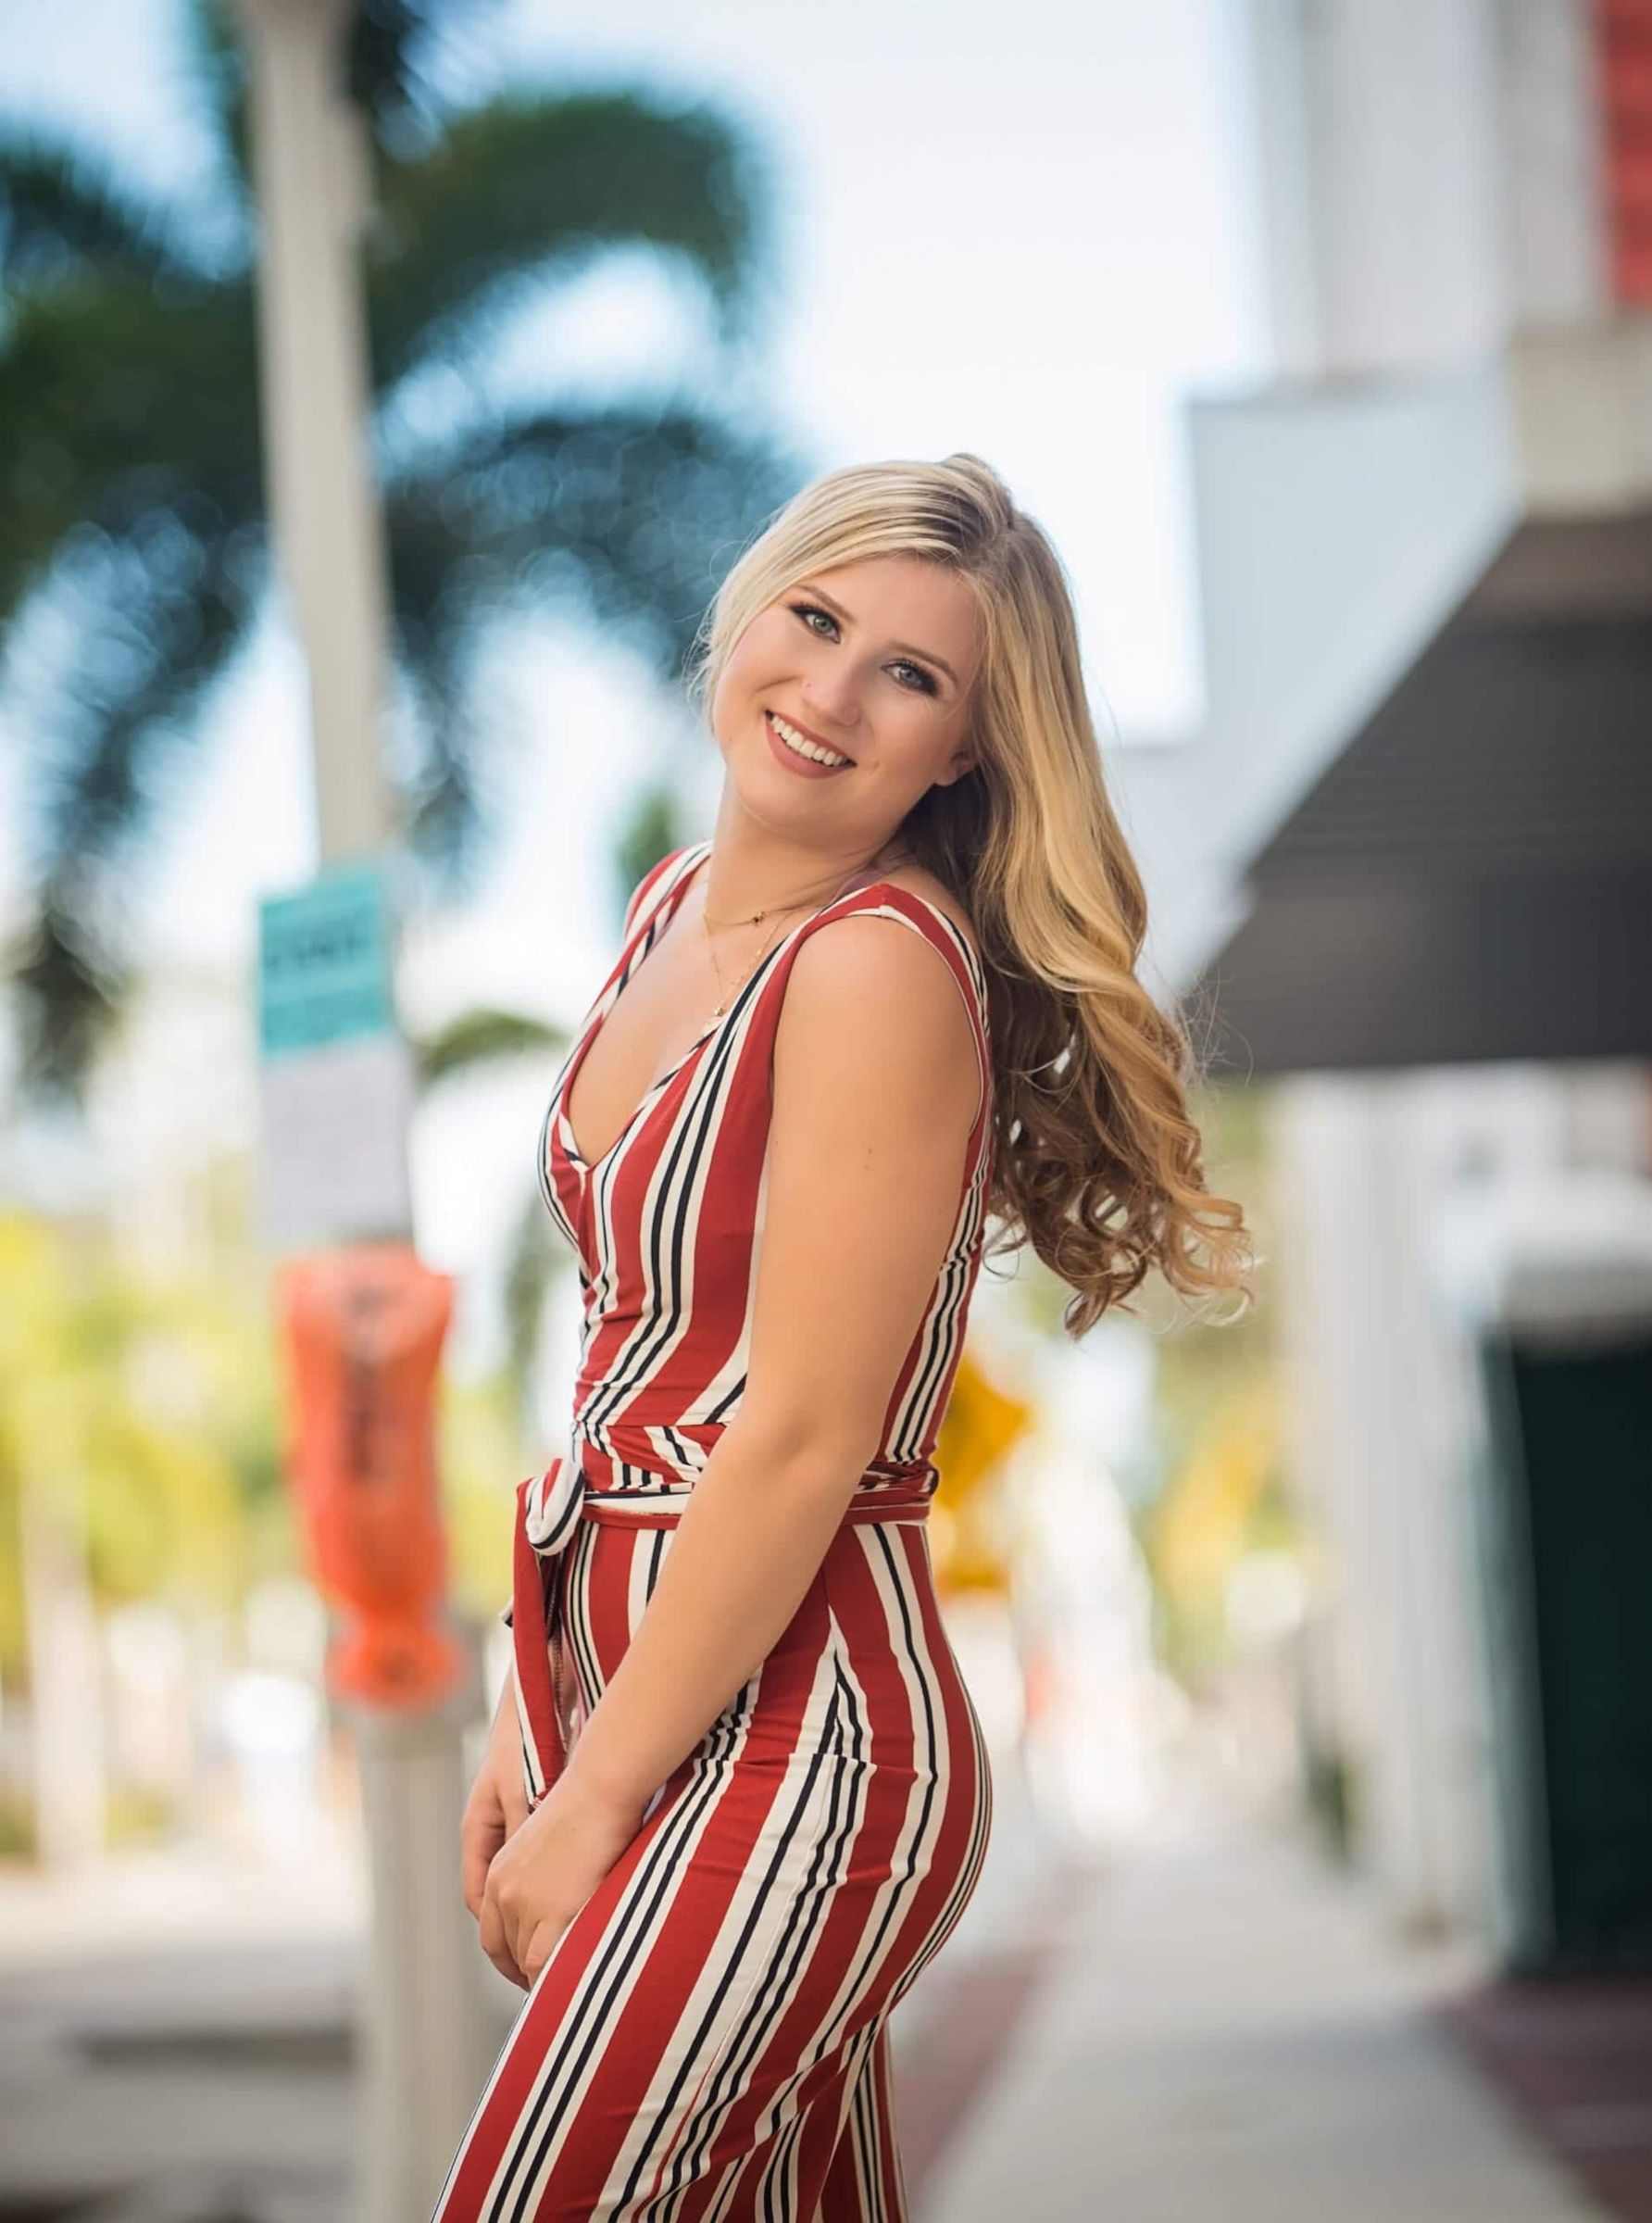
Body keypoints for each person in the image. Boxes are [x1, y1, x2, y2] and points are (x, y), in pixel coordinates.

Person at [431, 453, 1253, 2219]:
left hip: (810, 1746)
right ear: (747, 615)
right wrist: (535, 1716)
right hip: (638, 1692)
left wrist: (597, 1801)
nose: (830, 694)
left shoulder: (879, 963)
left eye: (911, 675)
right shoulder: (665, 912)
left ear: (960, 748)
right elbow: (626, 1368)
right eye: (815, 621)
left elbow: (797, 1435)